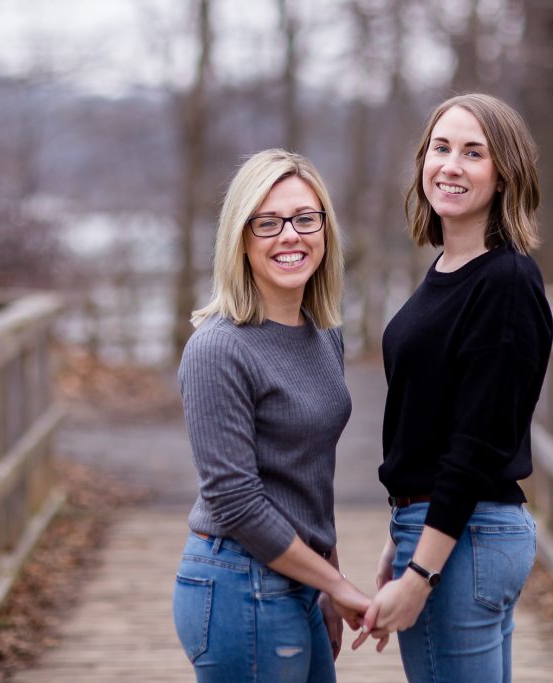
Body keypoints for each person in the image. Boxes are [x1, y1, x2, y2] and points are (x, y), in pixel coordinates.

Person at [353, 94, 553, 683]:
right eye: (440, 148)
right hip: (443, 530)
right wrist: (400, 541)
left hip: (464, 537)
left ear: (504, 174)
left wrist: (422, 573)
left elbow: (477, 445)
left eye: (473, 153)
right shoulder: (447, 268)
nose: (451, 165)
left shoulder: (505, 281)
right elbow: (431, 423)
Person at [173, 149, 370, 682]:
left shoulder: (323, 334)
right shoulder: (218, 348)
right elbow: (234, 500)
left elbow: (309, 476)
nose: (290, 236)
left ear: (325, 230)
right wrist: (336, 584)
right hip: (239, 580)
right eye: (268, 222)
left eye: (305, 219)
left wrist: (326, 580)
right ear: (241, 237)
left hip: (300, 579)